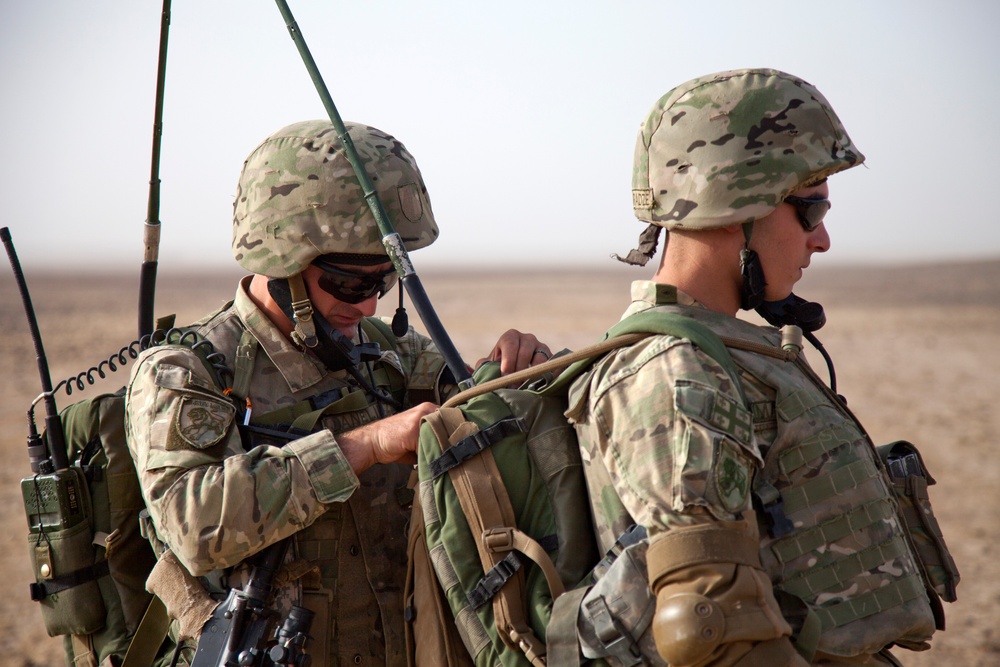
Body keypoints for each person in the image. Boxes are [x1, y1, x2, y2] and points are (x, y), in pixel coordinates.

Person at [124, 119, 552, 666]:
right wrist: (362, 446)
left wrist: (514, 373)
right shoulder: (189, 371)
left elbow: (468, 407)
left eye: (381, 283)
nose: (369, 306)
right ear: (284, 264)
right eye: (350, 283)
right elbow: (194, 523)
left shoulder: (391, 355)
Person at [567, 69, 956, 666]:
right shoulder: (677, 375)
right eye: (811, 208)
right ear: (734, 203)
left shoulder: (727, 351)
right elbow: (707, 630)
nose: (821, 239)